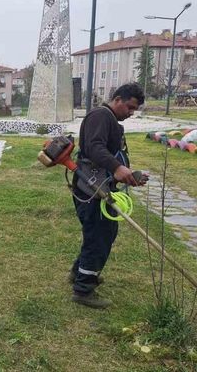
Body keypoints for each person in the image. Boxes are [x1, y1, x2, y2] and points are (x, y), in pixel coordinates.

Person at [70, 83, 148, 309]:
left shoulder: (108, 119)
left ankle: (79, 273)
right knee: (99, 235)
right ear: (117, 99)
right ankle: (83, 289)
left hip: (99, 185)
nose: (131, 113)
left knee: (101, 232)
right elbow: (94, 148)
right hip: (92, 188)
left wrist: (127, 174)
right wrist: (117, 168)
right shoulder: (101, 116)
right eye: (130, 107)